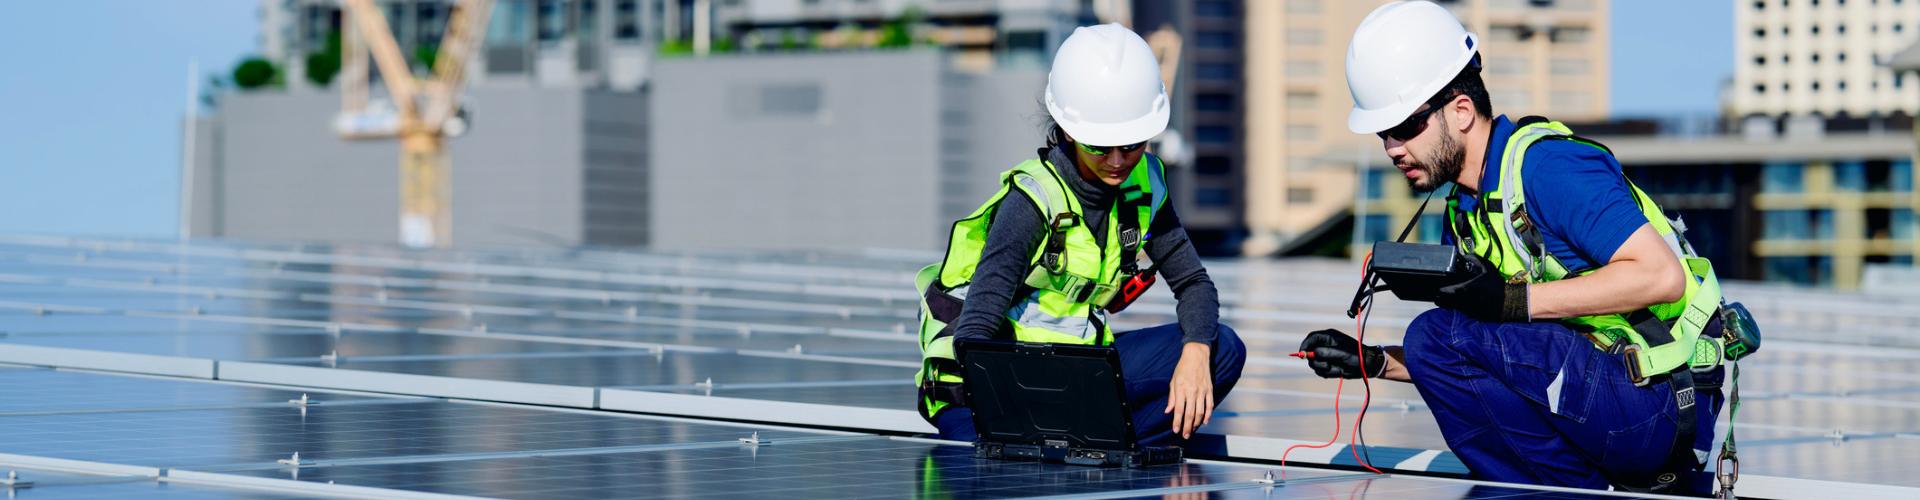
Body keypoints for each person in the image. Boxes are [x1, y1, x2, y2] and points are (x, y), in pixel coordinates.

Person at [1300, 1, 1729, 494]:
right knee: (1434, 339)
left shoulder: (1548, 168)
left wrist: (1513, 302)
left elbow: (1661, 276)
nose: (1393, 148)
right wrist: (1373, 362)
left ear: (1461, 111)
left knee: (1434, 334)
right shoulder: (1467, 214)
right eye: (1384, 134)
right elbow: (1475, 360)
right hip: (1603, 407)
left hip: (1655, 404)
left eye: (1405, 128)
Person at [913, 23, 1246, 447]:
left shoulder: (1146, 185)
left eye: (1132, 144)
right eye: (1100, 146)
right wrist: (1022, 412)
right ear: (1068, 130)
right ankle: (1093, 442)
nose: (1117, 160)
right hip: (991, 385)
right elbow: (975, 334)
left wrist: (1196, 352)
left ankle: (1100, 444)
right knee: (1009, 458)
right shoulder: (1033, 202)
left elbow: (1194, 284)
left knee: (1223, 349)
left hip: (1080, 368)